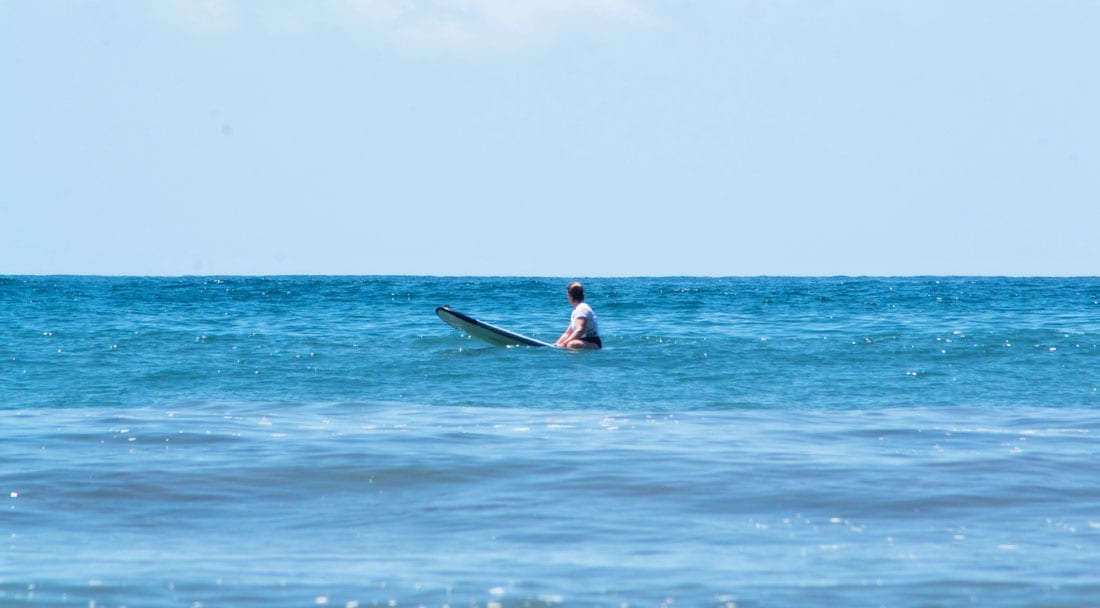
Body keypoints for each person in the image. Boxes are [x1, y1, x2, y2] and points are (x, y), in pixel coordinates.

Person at [555, 281, 602, 349]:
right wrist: (556, 344)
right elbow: (567, 333)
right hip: (582, 341)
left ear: (570, 296)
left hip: (593, 343)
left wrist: (564, 343)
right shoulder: (576, 311)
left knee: (571, 344)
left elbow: (580, 330)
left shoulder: (582, 309)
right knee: (569, 343)